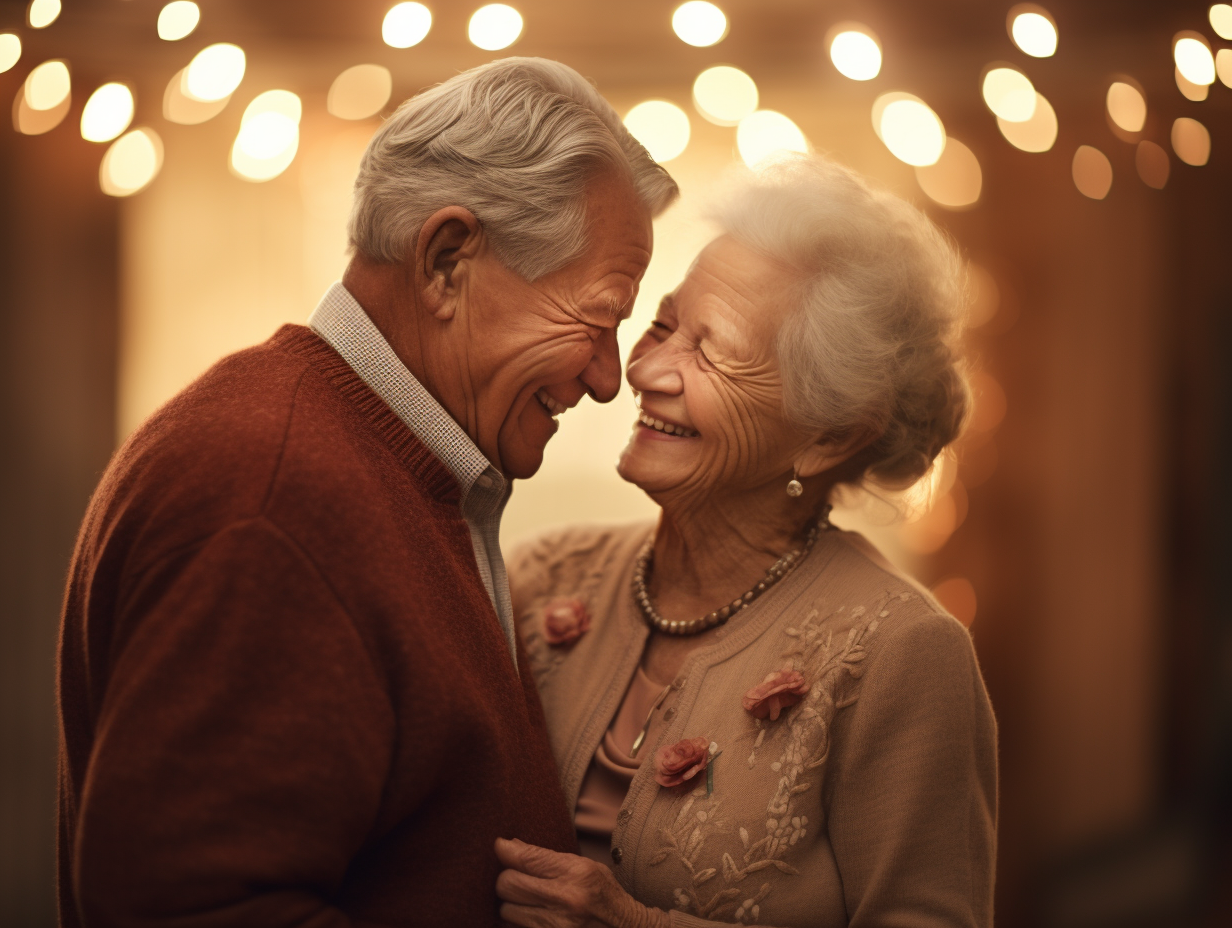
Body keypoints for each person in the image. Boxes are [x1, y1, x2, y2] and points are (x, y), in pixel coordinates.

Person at [57, 58, 677, 927]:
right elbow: (195, 906)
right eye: (598, 318)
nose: (610, 379)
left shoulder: (373, 462)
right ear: (447, 260)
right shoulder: (273, 494)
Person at [496, 153, 997, 928]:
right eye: (662, 325)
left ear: (827, 438)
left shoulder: (903, 652)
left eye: (710, 351)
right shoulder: (542, 575)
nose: (647, 369)